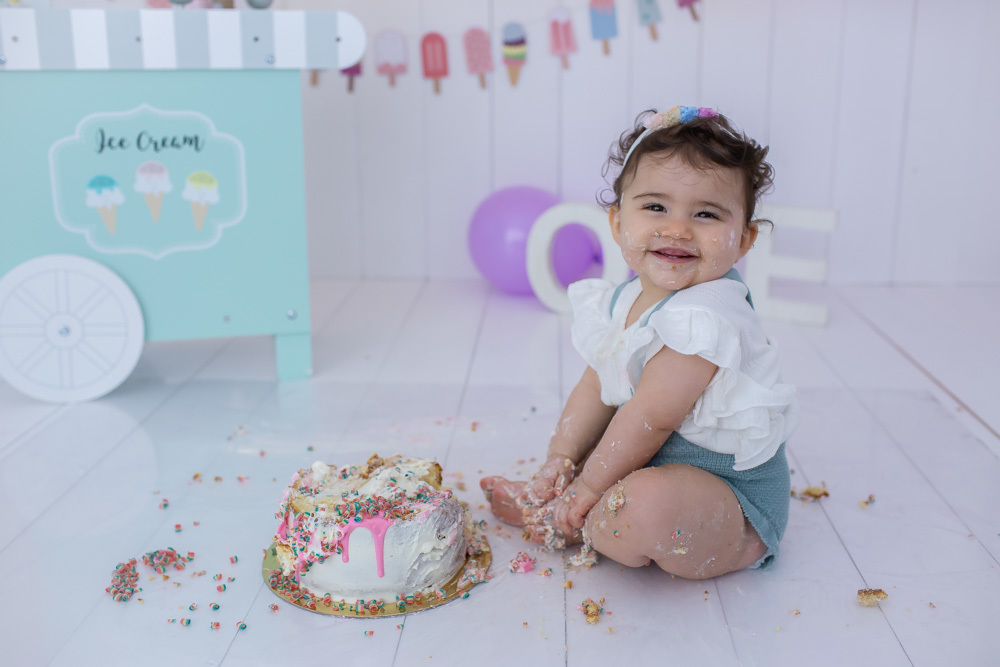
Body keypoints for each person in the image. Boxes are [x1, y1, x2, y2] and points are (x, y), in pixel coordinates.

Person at [481, 106, 799, 579]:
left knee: (641, 505)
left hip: (727, 501)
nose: (678, 229)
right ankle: (558, 501)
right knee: (610, 451)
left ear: (743, 239)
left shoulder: (705, 316)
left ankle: (576, 518)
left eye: (706, 214)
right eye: (655, 207)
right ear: (616, 222)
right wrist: (560, 460)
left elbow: (652, 417)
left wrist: (588, 488)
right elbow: (596, 384)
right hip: (653, 461)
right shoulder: (626, 298)